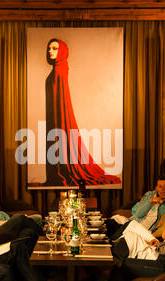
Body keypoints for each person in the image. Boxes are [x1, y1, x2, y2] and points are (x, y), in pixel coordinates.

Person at [44, 38, 121, 187]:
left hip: (58, 118)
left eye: (54, 48)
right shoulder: (59, 68)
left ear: (62, 51)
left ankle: (61, 173)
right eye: (49, 48)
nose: (50, 51)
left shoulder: (60, 70)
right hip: (54, 117)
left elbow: (61, 99)